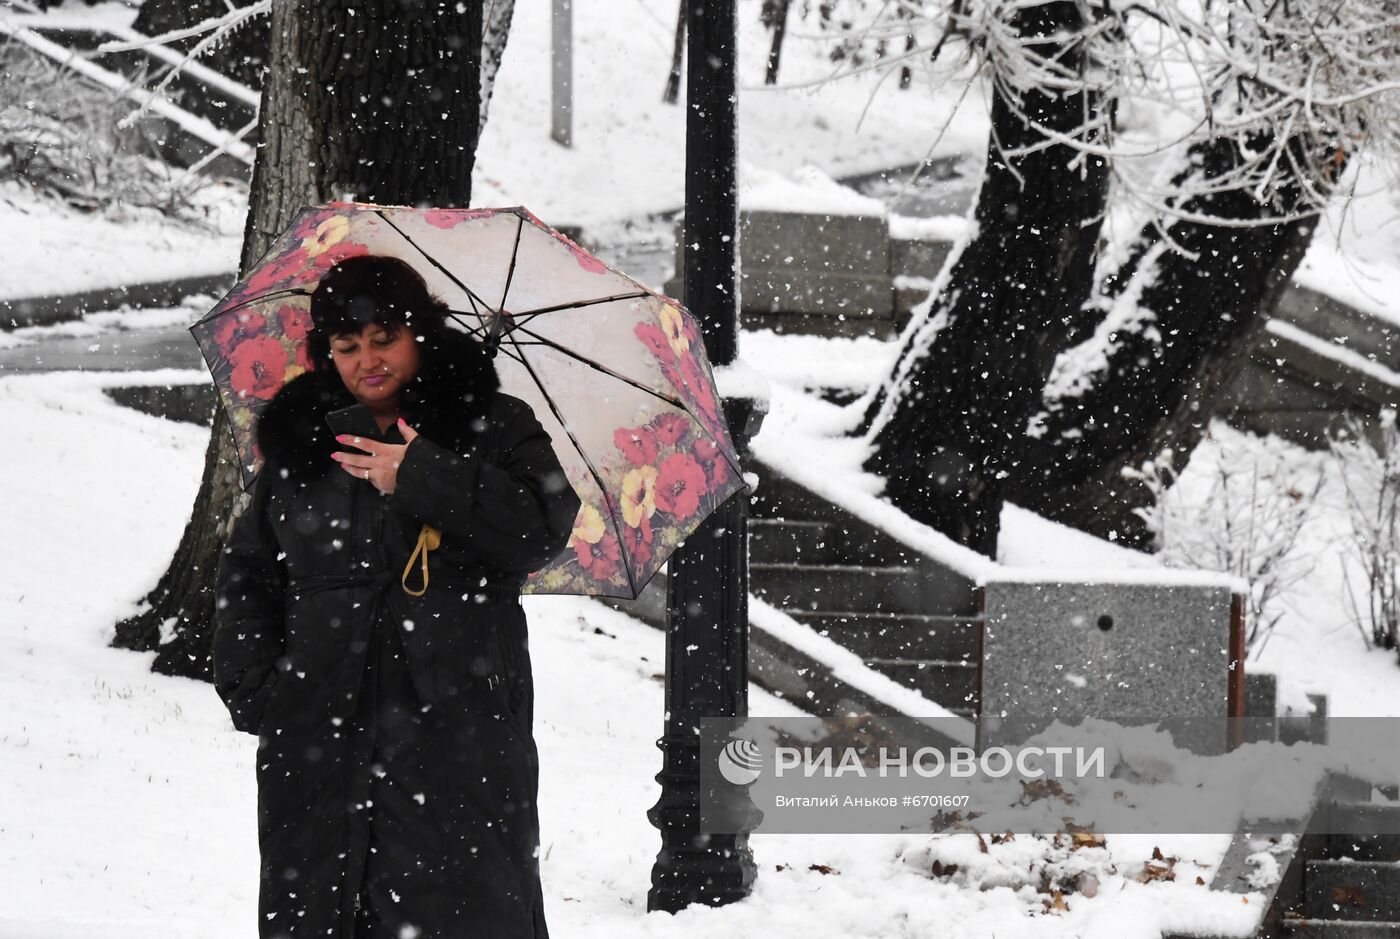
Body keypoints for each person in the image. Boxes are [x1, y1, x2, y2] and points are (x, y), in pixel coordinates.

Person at [211, 255, 581, 939]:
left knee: (463, 912)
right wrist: (263, 691)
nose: (366, 360)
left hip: (457, 737)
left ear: (422, 334)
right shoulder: (303, 446)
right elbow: (249, 574)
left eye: (384, 338)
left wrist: (426, 474)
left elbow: (544, 526)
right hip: (318, 739)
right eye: (346, 346)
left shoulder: (495, 425)